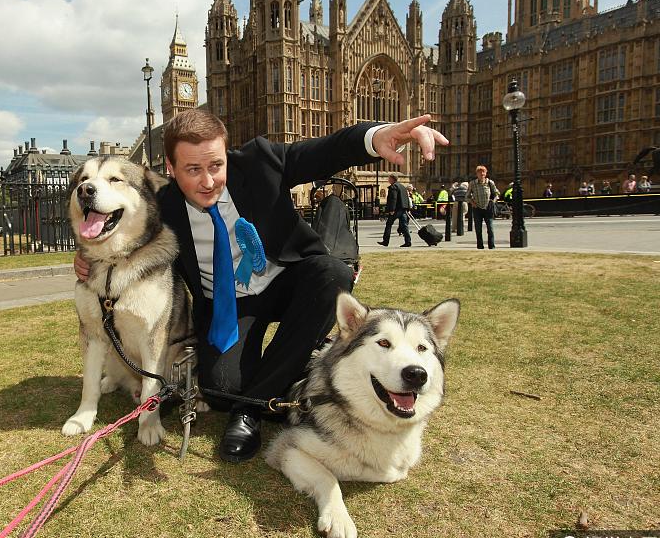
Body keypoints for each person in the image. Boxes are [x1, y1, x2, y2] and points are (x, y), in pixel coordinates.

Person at [74, 109, 447, 462]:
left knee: (333, 275)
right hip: (228, 305)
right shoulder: (162, 205)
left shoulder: (259, 162)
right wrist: (89, 255)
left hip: (286, 280)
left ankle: (250, 412)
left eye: (216, 165)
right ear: (170, 169)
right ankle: (279, 379)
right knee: (222, 388)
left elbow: (325, 150)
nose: (208, 181)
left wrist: (378, 134)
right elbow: (121, 228)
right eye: (192, 169)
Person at [467, 165, 499, 249]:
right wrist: (472, 203)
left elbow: (496, 193)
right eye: (479, 172)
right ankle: (480, 246)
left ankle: (491, 246)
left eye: (483, 172)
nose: (481, 173)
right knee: (478, 229)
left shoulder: (490, 182)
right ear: (476, 174)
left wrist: (493, 201)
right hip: (477, 208)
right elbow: (467, 196)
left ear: (486, 173)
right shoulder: (472, 183)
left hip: (488, 207)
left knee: (490, 228)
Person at [378, 174, 412, 248]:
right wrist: (408, 208)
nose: (388, 180)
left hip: (396, 209)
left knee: (389, 224)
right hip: (403, 209)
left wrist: (392, 209)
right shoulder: (402, 187)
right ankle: (408, 241)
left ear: (392, 179)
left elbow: (393, 199)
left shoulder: (394, 187)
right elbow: (406, 197)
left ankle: (385, 241)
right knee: (404, 225)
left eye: (389, 178)